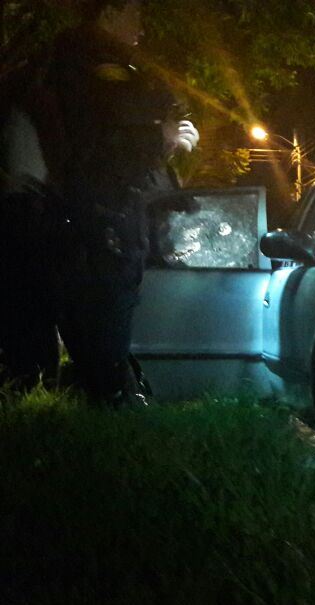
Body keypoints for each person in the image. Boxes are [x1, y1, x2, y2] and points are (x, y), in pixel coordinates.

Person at [0, 1, 199, 406]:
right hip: (91, 232)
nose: (140, 29)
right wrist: (164, 137)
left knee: (30, 364)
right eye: (134, 16)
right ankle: (110, 424)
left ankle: (40, 429)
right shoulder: (97, 69)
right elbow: (104, 150)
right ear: (109, 12)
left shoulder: (43, 65)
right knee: (102, 361)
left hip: (32, 227)